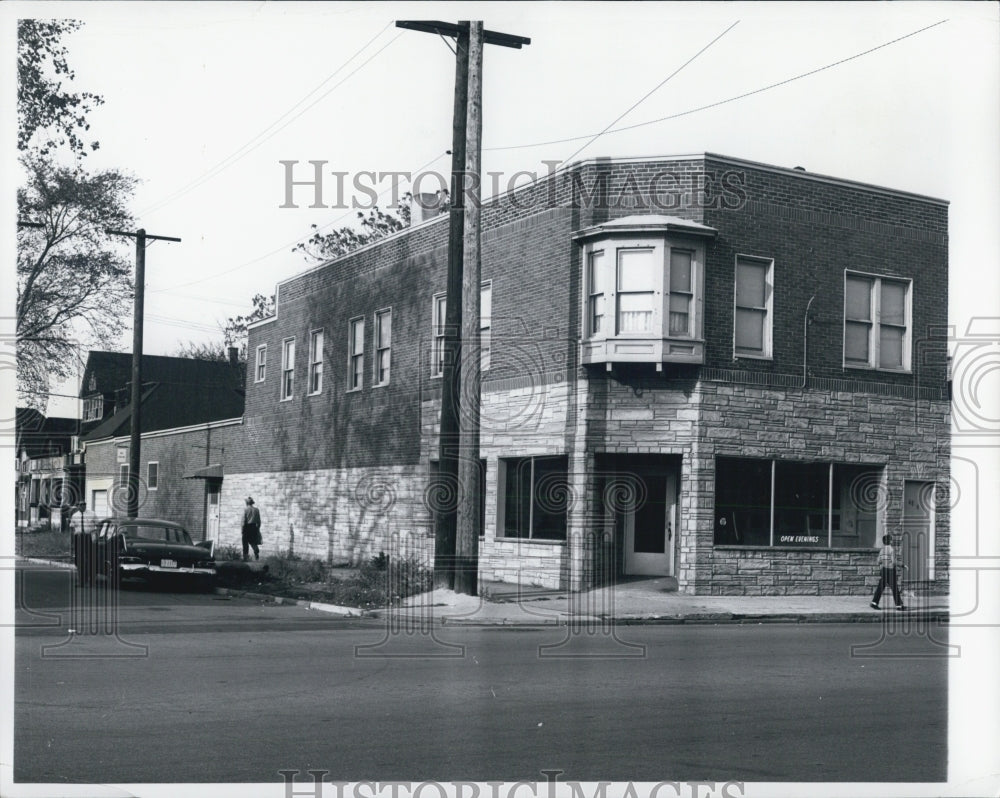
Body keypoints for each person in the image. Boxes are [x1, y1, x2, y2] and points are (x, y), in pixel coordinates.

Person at [871, 533, 906, 610]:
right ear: (890, 541)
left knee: (880, 587)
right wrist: (903, 565)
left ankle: (874, 603)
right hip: (890, 571)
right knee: (895, 588)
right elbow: (894, 562)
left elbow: (878, 561)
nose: (892, 541)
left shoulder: (882, 550)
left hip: (884, 570)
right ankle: (899, 606)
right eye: (891, 539)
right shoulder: (891, 550)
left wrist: (882, 566)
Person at [241, 496, 262, 561]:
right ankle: (256, 550)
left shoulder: (246, 510)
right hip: (254, 527)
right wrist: (257, 528)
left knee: (245, 542)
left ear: (247, 503)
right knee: (253, 541)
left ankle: (245, 557)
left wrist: (242, 529)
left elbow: (243, 520)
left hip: (247, 527)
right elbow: (259, 520)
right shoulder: (256, 510)